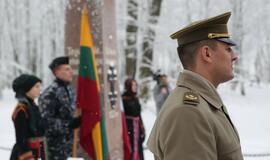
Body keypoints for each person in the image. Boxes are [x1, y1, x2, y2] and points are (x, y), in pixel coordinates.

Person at [147, 12, 244, 160]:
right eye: (228, 49)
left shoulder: (202, 103)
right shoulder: (188, 112)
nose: (235, 56)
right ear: (207, 53)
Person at [38, 56, 81, 160]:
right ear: (56, 72)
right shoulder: (49, 93)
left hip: (69, 145)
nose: (71, 72)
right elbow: (46, 122)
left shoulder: (70, 90)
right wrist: (69, 124)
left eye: (71, 69)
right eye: (67, 69)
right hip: (54, 148)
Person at [10, 74, 47, 160]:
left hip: (38, 151)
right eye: (36, 87)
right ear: (27, 89)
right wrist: (27, 156)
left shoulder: (33, 106)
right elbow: (21, 138)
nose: (39, 89)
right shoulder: (21, 109)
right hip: (27, 153)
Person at [122, 78, 145, 160]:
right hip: (129, 128)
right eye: (133, 85)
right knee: (130, 148)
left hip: (137, 128)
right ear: (128, 86)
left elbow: (139, 115)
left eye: (136, 85)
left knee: (138, 149)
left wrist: (142, 128)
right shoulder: (123, 99)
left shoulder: (136, 98)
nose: (135, 87)